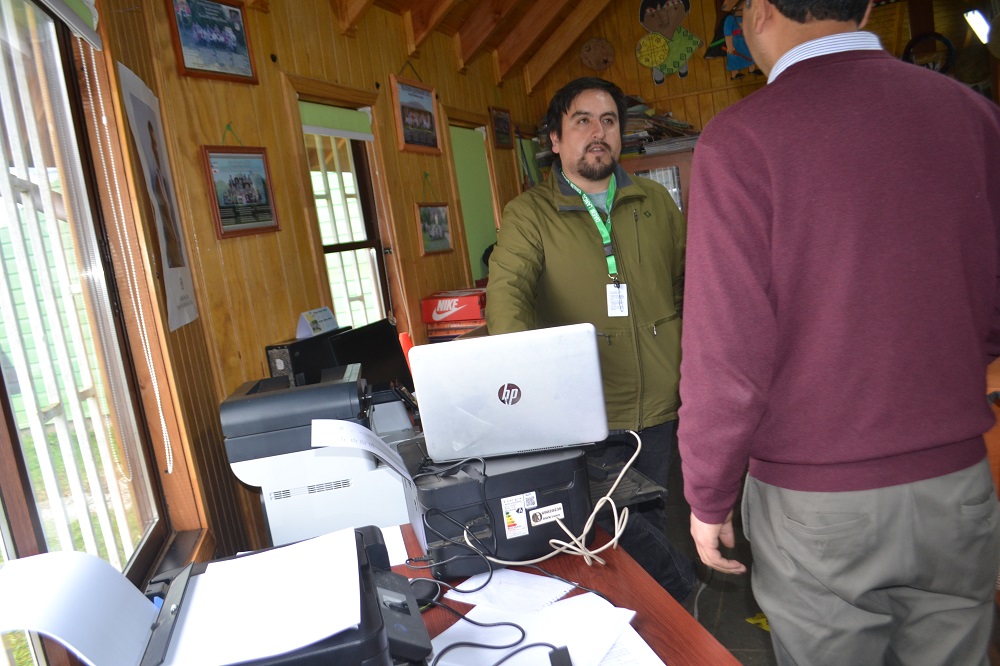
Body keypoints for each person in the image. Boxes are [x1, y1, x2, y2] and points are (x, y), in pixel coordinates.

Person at [677, 0, 1000, 662]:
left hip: (815, 502)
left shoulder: (741, 139)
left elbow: (726, 355)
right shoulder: (974, 117)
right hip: (956, 482)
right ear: (868, 6)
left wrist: (708, 496)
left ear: (759, 12)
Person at [485, 77, 696, 602]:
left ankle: (658, 626)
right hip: (583, 415)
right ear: (555, 140)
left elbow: (685, 286)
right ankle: (648, 613)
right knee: (603, 536)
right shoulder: (528, 214)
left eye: (608, 121)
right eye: (582, 120)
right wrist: (535, 397)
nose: (597, 132)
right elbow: (507, 304)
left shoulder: (656, 202)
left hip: (659, 406)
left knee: (650, 521)